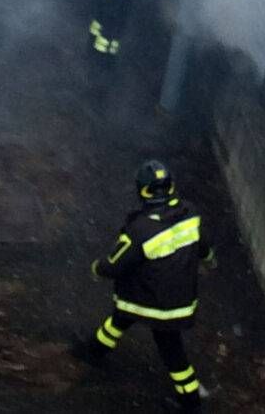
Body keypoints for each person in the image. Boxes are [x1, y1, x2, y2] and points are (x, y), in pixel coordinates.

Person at [74, 160, 214, 413]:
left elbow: (115, 264)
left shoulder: (141, 229)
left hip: (156, 304)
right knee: (120, 318)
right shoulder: (190, 214)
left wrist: (97, 268)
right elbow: (203, 247)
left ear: (142, 191)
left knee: (173, 354)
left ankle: (191, 404)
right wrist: (209, 259)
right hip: (180, 299)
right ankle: (94, 351)